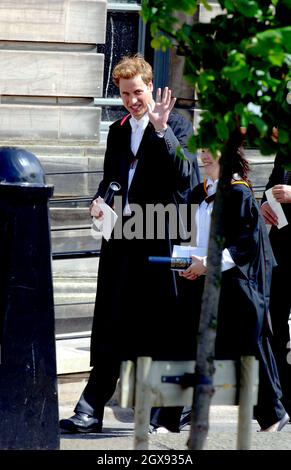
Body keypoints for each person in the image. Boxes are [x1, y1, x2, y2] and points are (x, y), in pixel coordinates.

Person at [60, 54, 200, 434]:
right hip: (121, 240)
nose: (131, 101)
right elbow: (111, 178)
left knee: (160, 325)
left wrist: (160, 131)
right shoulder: (118, 130)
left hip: (162, 236)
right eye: (124, 94)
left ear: (150, 87)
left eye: (136, 92)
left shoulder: (178, 124)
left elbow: (187, 176)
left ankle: (161, 413)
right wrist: (99, 200)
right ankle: (90, 408)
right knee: (111, 321)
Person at [169, 147, 289, 432]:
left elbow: (244, 246)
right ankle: (167, 418)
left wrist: (207, 264)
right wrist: (182, 263)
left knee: (249, 350)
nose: (204, 156)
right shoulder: (198, 194)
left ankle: (272, 414)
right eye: (201, 150)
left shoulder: (239, 193)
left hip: (237, 286)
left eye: (211, 150)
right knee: (185, 343)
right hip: (202, 284)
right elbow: (188, 237)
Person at [260, 149, 291, 419]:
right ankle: (283, 399)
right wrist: (266, 203)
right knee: (276, 322)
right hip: (282, 247)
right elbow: (273, 182)